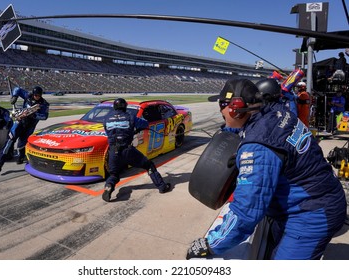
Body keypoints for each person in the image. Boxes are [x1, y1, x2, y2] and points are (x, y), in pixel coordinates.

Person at [186, 78, 346, 260]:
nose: (220, 110)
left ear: (235, 108)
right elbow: (249, 128)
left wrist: (211, 244)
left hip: (311, 214)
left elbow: (247, 210)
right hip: (315, 199)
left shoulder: (258, 149)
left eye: (222, 104)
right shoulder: (276, 112)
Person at [102, 98, 171, 202]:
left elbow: (114, 133)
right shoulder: (130, 116)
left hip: (113, 151)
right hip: (127, 150)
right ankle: (162, 187)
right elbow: (145, 124)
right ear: (125, 106)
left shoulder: (106, 119)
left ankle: (109, 187)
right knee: (149, 165)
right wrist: (135, 129)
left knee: (114, 174)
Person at [0, 86, 49, 172]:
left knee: (22, 144)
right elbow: (17, 89)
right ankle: (0, 163)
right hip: (19, 123)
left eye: (38, 95)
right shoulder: (28, 96)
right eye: (35, 95)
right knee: (9, 141)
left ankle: (20, 158)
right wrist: (15, 97)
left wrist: (34, 115)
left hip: (30, 127)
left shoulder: (44, 104)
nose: (36, 97)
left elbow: (45, 116)